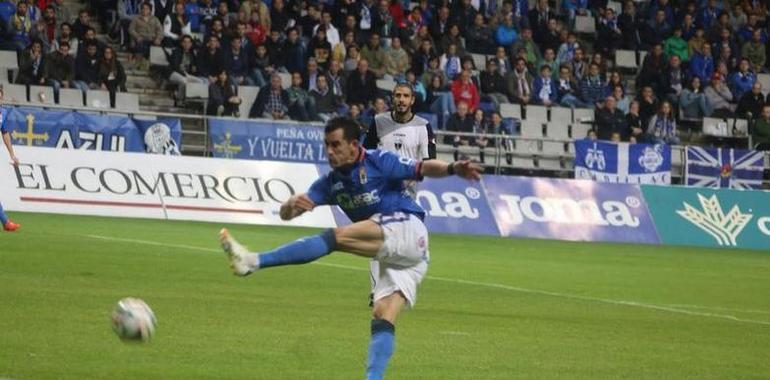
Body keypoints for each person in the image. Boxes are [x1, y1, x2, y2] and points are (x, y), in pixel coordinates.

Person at [218, 117, 482, 380]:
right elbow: (289, 214)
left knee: (336, 237)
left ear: (354, 145)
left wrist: (453, 167)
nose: (330, 151)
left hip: (408, 228)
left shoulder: (379, 161)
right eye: (327, 145)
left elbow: (423, 167)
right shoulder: (330, 183)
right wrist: (290, 205)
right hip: (406, 258)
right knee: (382, 316)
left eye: (336, 145)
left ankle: (252, 261)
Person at [362, 82, 435, 306]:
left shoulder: (423, 127)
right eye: (397, 95)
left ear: (412, 100)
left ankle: (396, 287)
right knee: (379, 240)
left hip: (408, 196)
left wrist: (409, 177)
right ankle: (377, 292)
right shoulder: (378, 122)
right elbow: (366, 155)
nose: (401, 100)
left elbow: (429, 162)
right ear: (392, 98)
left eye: (405, 96)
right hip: (381, 193)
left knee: (405, 245)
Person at [0, 88, 20, 231]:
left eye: (0, 98)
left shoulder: (4, 112)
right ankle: (6, 222)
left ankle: (6, 222)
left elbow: (5, 133)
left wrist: (12, 154)